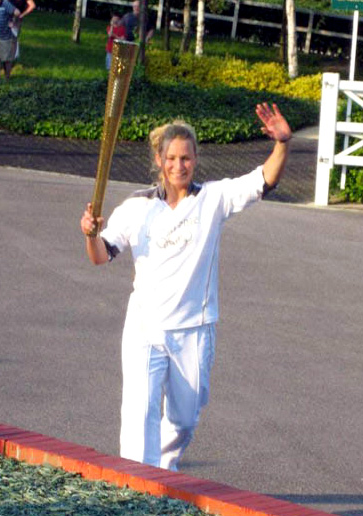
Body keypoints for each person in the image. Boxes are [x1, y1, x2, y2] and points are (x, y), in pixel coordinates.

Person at [79, 103, 292, 470]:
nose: (179, 166)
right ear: (160, 160)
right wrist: (90, 234)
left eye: (186, 159)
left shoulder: (213, 199)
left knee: (185, 420)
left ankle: (163, 472)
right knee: (138, 412)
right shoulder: (136, 206)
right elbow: (100, 255)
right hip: (145, 326)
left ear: (195, 160)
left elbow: (263, 180)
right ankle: (138, 487)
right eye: (172, 158)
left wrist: (283, 144)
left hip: (194, 329)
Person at [0, 0, 19, 84]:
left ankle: (7, 78)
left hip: (7, 38)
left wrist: (13, 22)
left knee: (7, 60)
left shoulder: (5, 3)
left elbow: (17, 12)